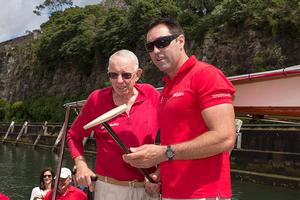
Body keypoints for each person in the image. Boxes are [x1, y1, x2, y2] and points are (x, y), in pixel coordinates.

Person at [123, 17, 236, 200]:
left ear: (180, 41)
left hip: (203, 194)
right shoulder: (168, 87)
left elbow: (225, 137)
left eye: (162, 43)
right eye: (150, 47)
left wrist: (163, 153)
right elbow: (177, 142)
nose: (156, 51)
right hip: (172, 193)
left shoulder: (206, 75)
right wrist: (161, 172)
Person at [67, 49, 160, 200]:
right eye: (113, 75)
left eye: (126, 75)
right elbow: (73, 135)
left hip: (147, 189)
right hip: (109, 190)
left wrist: (159, 173)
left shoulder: (151, 95)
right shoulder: (96, 100)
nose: (119, 81)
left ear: (138, 74)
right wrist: (81, 165)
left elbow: (173, 133)